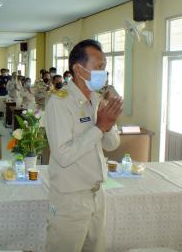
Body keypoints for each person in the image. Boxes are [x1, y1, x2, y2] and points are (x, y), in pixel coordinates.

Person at [44, 39, 122, 252]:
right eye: (99, 67)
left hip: (97, 194)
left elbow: (112, 144)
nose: (103, 73)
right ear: (78, 69)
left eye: (104, 67)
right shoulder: (60, 102)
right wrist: (99, 127)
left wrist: (109, 123)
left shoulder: (97, 99)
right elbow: (63, 155)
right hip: (70, 198)